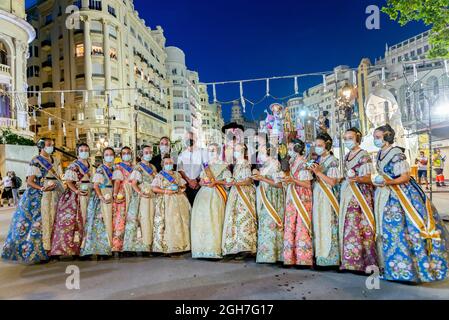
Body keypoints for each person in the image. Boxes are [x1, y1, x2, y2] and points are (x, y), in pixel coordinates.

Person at [373, 124, 449, 283]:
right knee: (385, 231)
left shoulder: (396, 154)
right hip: (384, 194)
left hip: (400, 195)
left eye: (378, 137)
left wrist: (388, 182)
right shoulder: (380, 153)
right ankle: (390, 268)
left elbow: (405, 177)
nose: (376, 140)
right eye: (375, 137)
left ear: (387, 137)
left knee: (402, 230)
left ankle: (408, 269)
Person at [1, 138, 62, 263]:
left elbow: (59, 177)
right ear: (41, 146)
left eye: (52, 144)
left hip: (55, 194)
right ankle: (38, 252)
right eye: (48, 145)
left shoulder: (55, 160)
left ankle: (54, 250)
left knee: (55, 221)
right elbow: (29, 181)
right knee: (39, 224)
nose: (51, 147)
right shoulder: (36, 160)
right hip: (39, 196)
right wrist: (42, 188)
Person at [339, 128, 377, 273]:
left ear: (358, 139)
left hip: (361, 193)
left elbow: (369, 177)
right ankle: (350, 261)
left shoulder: (364, 155)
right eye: (346, 138)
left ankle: (364, 261)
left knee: (361, 227)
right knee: (349, 225)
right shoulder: (347, 155)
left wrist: (357, 178)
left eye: (350, 138)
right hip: (348, 193)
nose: (347, 141)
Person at [50, 143, 91, 257]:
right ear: (78, 152)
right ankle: (73, 248)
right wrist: (77, 191)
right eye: (82, 150)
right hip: (75, 196)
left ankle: (86, 246)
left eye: (86, 150)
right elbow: (68, 182)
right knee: (75, 221)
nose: (84, 152)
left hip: (88, 193)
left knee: (88, 220)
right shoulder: (73, 165)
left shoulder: (89, 164)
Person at [191, 143, 231, 259]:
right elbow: (200, 181)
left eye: (213, 150)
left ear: (218, 152)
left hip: (216, 195)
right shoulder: (205, 166)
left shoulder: (223, 165)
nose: (211, 152)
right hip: (203, 195)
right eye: (209, 150)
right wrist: (201, 182)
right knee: (201, 220)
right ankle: (200, 250)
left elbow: (228, 182)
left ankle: (214, 249)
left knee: (215, 219)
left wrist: (217, 182)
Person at [309, 133, 342, 267]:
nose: (317, 148)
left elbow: (333, 182)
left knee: (327, 223)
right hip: (318, 193)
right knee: (318, 223)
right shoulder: (318, 161)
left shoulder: (332, 160)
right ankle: (320, 256)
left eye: (320, 146)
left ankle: (330, 258)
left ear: (327, 146)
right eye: (316, 146)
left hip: (327, 195)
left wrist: (318, 173)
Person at [222, 144, 257, 258]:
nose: (235, 152)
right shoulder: (237, 164)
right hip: (236, 192)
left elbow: (247, 181)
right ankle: (236, 246)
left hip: (244, 193)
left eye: (237, 150)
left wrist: (234, 183)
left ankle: (245, 247)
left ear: (242, 151)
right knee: (235, 219)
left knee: (244, 219)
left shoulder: (245, 163)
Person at [151, 155, 191, 255]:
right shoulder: (160, 176)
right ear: (163, 165)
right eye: (166, 163)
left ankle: (182, 245)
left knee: (181, 222)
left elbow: (183, 186)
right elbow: (154, 188)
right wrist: (165, 191)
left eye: (170, 163)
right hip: (167, 201)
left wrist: (181, 189)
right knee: (170, 223)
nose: (169, 165)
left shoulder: (177, 174)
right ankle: (170, 246)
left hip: (179, 201)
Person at [282, 139, 314, 267]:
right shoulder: (292, 161)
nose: (289, 151)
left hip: (302, 196)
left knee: (301, 225)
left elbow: (307, 183)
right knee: (291, 224)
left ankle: (303, 258)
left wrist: (292, 180)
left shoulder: (303, 162)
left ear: (297, 148)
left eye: (290, 148)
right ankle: (290, 257)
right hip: (293, 194)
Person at [252, 145, 285, 264]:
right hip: (263, 194)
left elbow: (279, 184)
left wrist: (262, 178)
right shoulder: (264, 165)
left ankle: (274, 254)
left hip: (272, 197)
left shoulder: (275, 163)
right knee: (264, 224)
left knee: (271, 224)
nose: (260, 154)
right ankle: (265, 255)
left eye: (262, 151)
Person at [81, 147, 115, 258]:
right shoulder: (101, 169)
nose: (109, 156)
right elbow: (96, 185)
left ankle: (111, 247)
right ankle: (102, 249)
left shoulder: (114, 168)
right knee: (101, 223)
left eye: (111, 154)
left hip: (112, 194)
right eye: (107, 154)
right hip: (102, 196)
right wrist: (101, 197)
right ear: (104, 157)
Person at [123, 145, 157, 253]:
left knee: (153, 219)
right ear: (141, 154)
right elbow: (133, 183)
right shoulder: (138, 167)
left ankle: (153, 245)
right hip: (144, 196)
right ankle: (146, 246)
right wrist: (140, 193)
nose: (149, 154)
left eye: (150, 152)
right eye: (146, 152)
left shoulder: (152, 167)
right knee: (145, 219)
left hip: (153, 194)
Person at [112, 146, 134, 256]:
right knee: (120, 219)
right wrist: (115, 195)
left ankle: (129, 246)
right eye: (124, 153)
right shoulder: (118, 168)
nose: (127, 155)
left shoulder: (135, 167)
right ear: (121, 156)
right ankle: (117, 246)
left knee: (131, 220)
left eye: (128, 153)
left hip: (133, 193)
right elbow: (116, 182)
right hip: (123, 193)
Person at [177, 132, 208, 205]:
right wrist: (189, 181)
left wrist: (197, 180)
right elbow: (180, 170)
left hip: (200, 185)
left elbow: (206, 168)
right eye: (187, 139)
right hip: (187, 186)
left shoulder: (203, 152)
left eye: (191, 138)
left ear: (196, 139)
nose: (189, 140)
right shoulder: (181, 155)